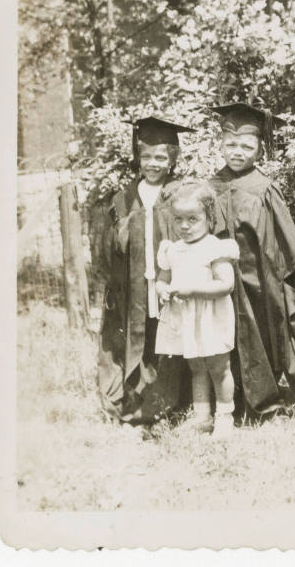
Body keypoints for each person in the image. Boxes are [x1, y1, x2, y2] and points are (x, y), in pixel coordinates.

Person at [208, 102, 295, 417]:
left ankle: (274, 401)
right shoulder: (210, 187)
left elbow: (285, 238)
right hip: (221, 280)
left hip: (261, 278)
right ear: (220, 144)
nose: (237, 151)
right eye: (230, 145)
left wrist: (291, 280)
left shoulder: (265, 188)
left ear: (259, 150)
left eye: (246, 146)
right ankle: (235, 404)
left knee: (268, 333)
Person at [97, 116, 195, 424]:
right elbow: (107, 247)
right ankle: (133, 401)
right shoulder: (123, 197)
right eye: (147, 156)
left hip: (171, 284)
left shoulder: (180, 195)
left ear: (172, 159)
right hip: (134, 286)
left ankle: (168, 404)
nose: (153, 163)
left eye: (160, 157)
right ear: (138, 158)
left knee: (168, 338)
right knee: (137, 337)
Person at [155, 179, 240, 438]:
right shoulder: (172, 249)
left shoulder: (215, 247)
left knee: (217, 366)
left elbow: (226, 285)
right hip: (186, 318)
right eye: (178, 219)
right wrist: (162, 290)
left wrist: (192, 290)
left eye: (193, 219)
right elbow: (162, 277)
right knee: (196, 367)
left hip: (210, 317)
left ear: (209, 217)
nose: (184, 226)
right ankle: (202, 417)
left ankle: (225, 417)